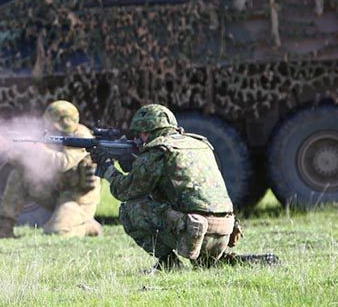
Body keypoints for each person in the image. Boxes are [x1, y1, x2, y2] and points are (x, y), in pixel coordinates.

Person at [97, 104, 241, 270]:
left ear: (146, 131)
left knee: (131, 209)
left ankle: (169, 264)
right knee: (206, 266)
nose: (138, 139)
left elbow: (125, 191)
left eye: (139, 134)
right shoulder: (201, 143)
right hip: (224, 231)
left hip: (195, 232)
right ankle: (226, 259)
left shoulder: (158, 149)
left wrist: (107, 168)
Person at [0, 100, 103, 238]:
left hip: (77, 198)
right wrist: (12, 151)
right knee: (20, 174)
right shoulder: (50, 134)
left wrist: (37, 148)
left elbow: (63, 162)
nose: (49, 128)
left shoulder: (82, 137)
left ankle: (87, 225)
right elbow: (28, 163)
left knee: (57, 232)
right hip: (56, 191)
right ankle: (5, 227)